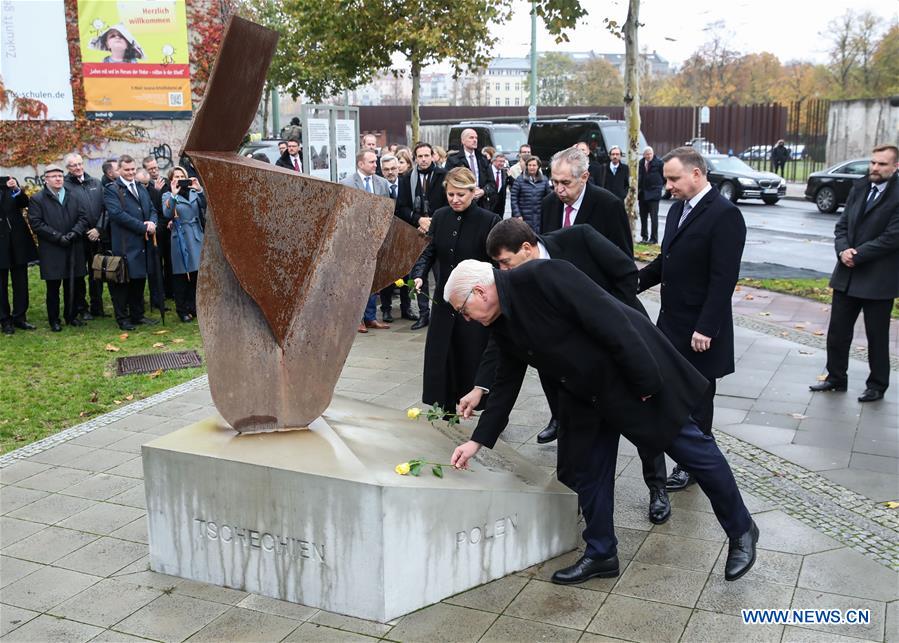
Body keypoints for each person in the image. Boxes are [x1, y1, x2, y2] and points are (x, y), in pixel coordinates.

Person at [446, 259, 759, 585]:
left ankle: (741, 529)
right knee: (591, 470)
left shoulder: (544, 276)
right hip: (585, 394)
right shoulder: (500, 322)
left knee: (694, 451)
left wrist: (647, 385)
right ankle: (601, 553)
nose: (467, 319)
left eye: (464, 310)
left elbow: (612, 321)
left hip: (632, 379)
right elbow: (506, 380)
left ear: (480, 291)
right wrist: (477, 441)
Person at [460, 218, 672, 524]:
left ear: (527, 248)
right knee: (575, 443)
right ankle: (571, 505)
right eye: (498, 266)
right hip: (568, 373)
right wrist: (481, 386)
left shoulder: (581, 238)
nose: (504, 272)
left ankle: (657, 488)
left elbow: (626, 272)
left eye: (506, 263)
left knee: (646, 428)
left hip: (619, 350)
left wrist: (606, 319)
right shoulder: (517, 283)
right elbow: (504, 344)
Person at [638, 146, 746, 492]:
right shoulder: (677, 211)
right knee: (669, 393)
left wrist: (706, 327)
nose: (668, 186)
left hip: (700, 330)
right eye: (666, 179)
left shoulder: (725, 215)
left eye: (673, 178)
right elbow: (664, 263)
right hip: (670, 324)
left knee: (698, 399)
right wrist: (630, 282)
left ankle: (693, 464)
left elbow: (723, 278)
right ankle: (683, 452)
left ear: (696, 174)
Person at [810, 144, 899, 403]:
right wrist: (843, 251)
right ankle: (836, 378)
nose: (875, 168)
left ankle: (877, 385)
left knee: (877, 336)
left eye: (882, 164)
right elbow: (841, 226)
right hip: (846, 274)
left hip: (878, 278)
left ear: (895, 167)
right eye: (873, 162)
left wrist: (856, 254)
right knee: (837, 331)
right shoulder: (860, 187)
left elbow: (892, 237)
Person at [409, 167, 500, 412]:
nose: (455, 200)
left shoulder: (489, 221)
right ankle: (446, 403)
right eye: (451, 194)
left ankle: (483, 405)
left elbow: (496, 264)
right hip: (444, 299)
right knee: (443, 352)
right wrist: (418, 276)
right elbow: (429, 251)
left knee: (471, 351)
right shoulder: (440, 216)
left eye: (461, 194)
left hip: (474, 301)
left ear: (473, 192)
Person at [27, 165, 90, 331]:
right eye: (54, 176)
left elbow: (83, 218)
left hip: (73, 245)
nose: (58, 179)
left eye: (60, 176)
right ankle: (54, 320)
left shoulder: (73, 195)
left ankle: (71, 316)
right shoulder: (38, 199)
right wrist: (57, 236)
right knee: (53, 287)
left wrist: (73, 234)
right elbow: (37, 224)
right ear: (46, 179)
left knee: (74, 283)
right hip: (52, 249)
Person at [540, 147, 633, 258]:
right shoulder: (548, 203)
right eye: (555, 182)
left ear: (584, 177)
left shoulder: (609, 206)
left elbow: (624, 259)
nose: (559, 189)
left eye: (566, 182)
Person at [104, 154, 159, 331]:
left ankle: (138, 315)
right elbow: (117, 215)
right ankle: (123, 318)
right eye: (127, 170)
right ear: (118, 170)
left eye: (133, 169)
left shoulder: (141, 187)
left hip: (143, 244)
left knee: (139, 280)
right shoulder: (112, 189)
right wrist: (142, 227)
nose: (130, 173)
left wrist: (152, 222)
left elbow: (151, 208)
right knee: (123, 283)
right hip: (125, 244)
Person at [396, 143, 449, 330]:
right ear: (415, 158)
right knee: (417, 276)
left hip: (439, 231)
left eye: (427, 155)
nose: (424, 159)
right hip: (416, 233)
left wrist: (434, 221)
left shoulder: (444, 175)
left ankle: (442, 313)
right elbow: (400, 207)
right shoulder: (405, 178)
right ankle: (422, 313)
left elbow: (449, 202)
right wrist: (419, 220)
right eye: (420, 156)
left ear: (433, 156)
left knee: (441, 275)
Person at [340, 149, 391, 333]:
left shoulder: (383, 184)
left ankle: (370, 317)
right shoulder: (347, 183)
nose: (375, 165)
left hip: (375, 238)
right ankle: (356, 320)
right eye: (371, 162)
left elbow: (387, 211)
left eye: (375, 162)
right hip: (355, 239)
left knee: (372, 279)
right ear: (360, 164)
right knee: (356, 282)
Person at [64, 153, 107, 319]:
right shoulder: (65, 186)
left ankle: (98, 306)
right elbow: (67, 214)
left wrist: (99, 229)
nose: (77, 167)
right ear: (68, 168)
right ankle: (82, 307)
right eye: (73, 165)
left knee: (97, 271)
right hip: (79, 237)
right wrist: (81, 231)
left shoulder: (95, 182)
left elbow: (106, 208)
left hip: (97, 236)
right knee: (80, 274)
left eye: (80, 164)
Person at [161, 166, 205, 323]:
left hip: (196, 235)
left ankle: (195, 306)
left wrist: (199, 190)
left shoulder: (194, 192)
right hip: (180, 237)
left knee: (196, 275)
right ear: (171, 179)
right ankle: (182, 309)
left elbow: (205, 206)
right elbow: (166, 213)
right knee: (181, 275)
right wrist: (173, 194)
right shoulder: (167, 194)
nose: (179, 178)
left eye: (182, 176)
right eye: (176, 176)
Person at [376, 153, 414, 324]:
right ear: (381, 170)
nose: (390, 172)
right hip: (386, 235)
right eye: (386, 170)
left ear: (399, 168)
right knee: (386, 272)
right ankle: (386, 309)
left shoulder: (407, 183)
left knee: (406, 271)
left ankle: (407, 308)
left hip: (405, 233)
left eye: (393, 168)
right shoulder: (378, 185)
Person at [0, 176, 36, 334]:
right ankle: (4, 320)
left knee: (21, 281)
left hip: (17, 241)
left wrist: (16, 189)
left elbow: (24, 202)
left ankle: (20, 317)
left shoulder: (8, 182)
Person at [143, 156, 173, 299]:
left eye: (155, 167)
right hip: (155, 230)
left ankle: (170, 291)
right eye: (150, 169)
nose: (154, 171)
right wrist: (156, 191)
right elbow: (151, 208)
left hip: (167, 228)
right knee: (155, 266)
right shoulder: (145, 186)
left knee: (169, 262)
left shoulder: (166, 182)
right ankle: (157, 295)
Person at [443, 128, 496, 208]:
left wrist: (483, 191)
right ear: (463, 141)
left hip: (481, 203)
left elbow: (492, 183)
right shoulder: (453, 160)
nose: (475, 140)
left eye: (476, 138)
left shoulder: (483, 159)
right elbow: (447, 182)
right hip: (462, 202)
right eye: (471, 138)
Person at [510, 155, 551, 233]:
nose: (532, 167)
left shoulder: (544, 180)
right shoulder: (519, 180)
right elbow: (514, 198)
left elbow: (548, 197)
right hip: (523, 216)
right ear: (527, 166)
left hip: (539, 217)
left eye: (534, 165)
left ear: (538, 166)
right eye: (530, 165)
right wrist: (517, 215)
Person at [637, 146, 665, 244]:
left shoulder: (659, 163)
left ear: (653, 154)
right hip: (642, 194)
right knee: (643, 217)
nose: (649, 156)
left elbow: (664, 177)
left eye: (650, 154)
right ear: (644, 155)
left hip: (654, 194)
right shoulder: (641, 163)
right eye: (647, 154)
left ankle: (654, 238)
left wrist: (659, 187)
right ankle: (644, 237)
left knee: (654, 218)